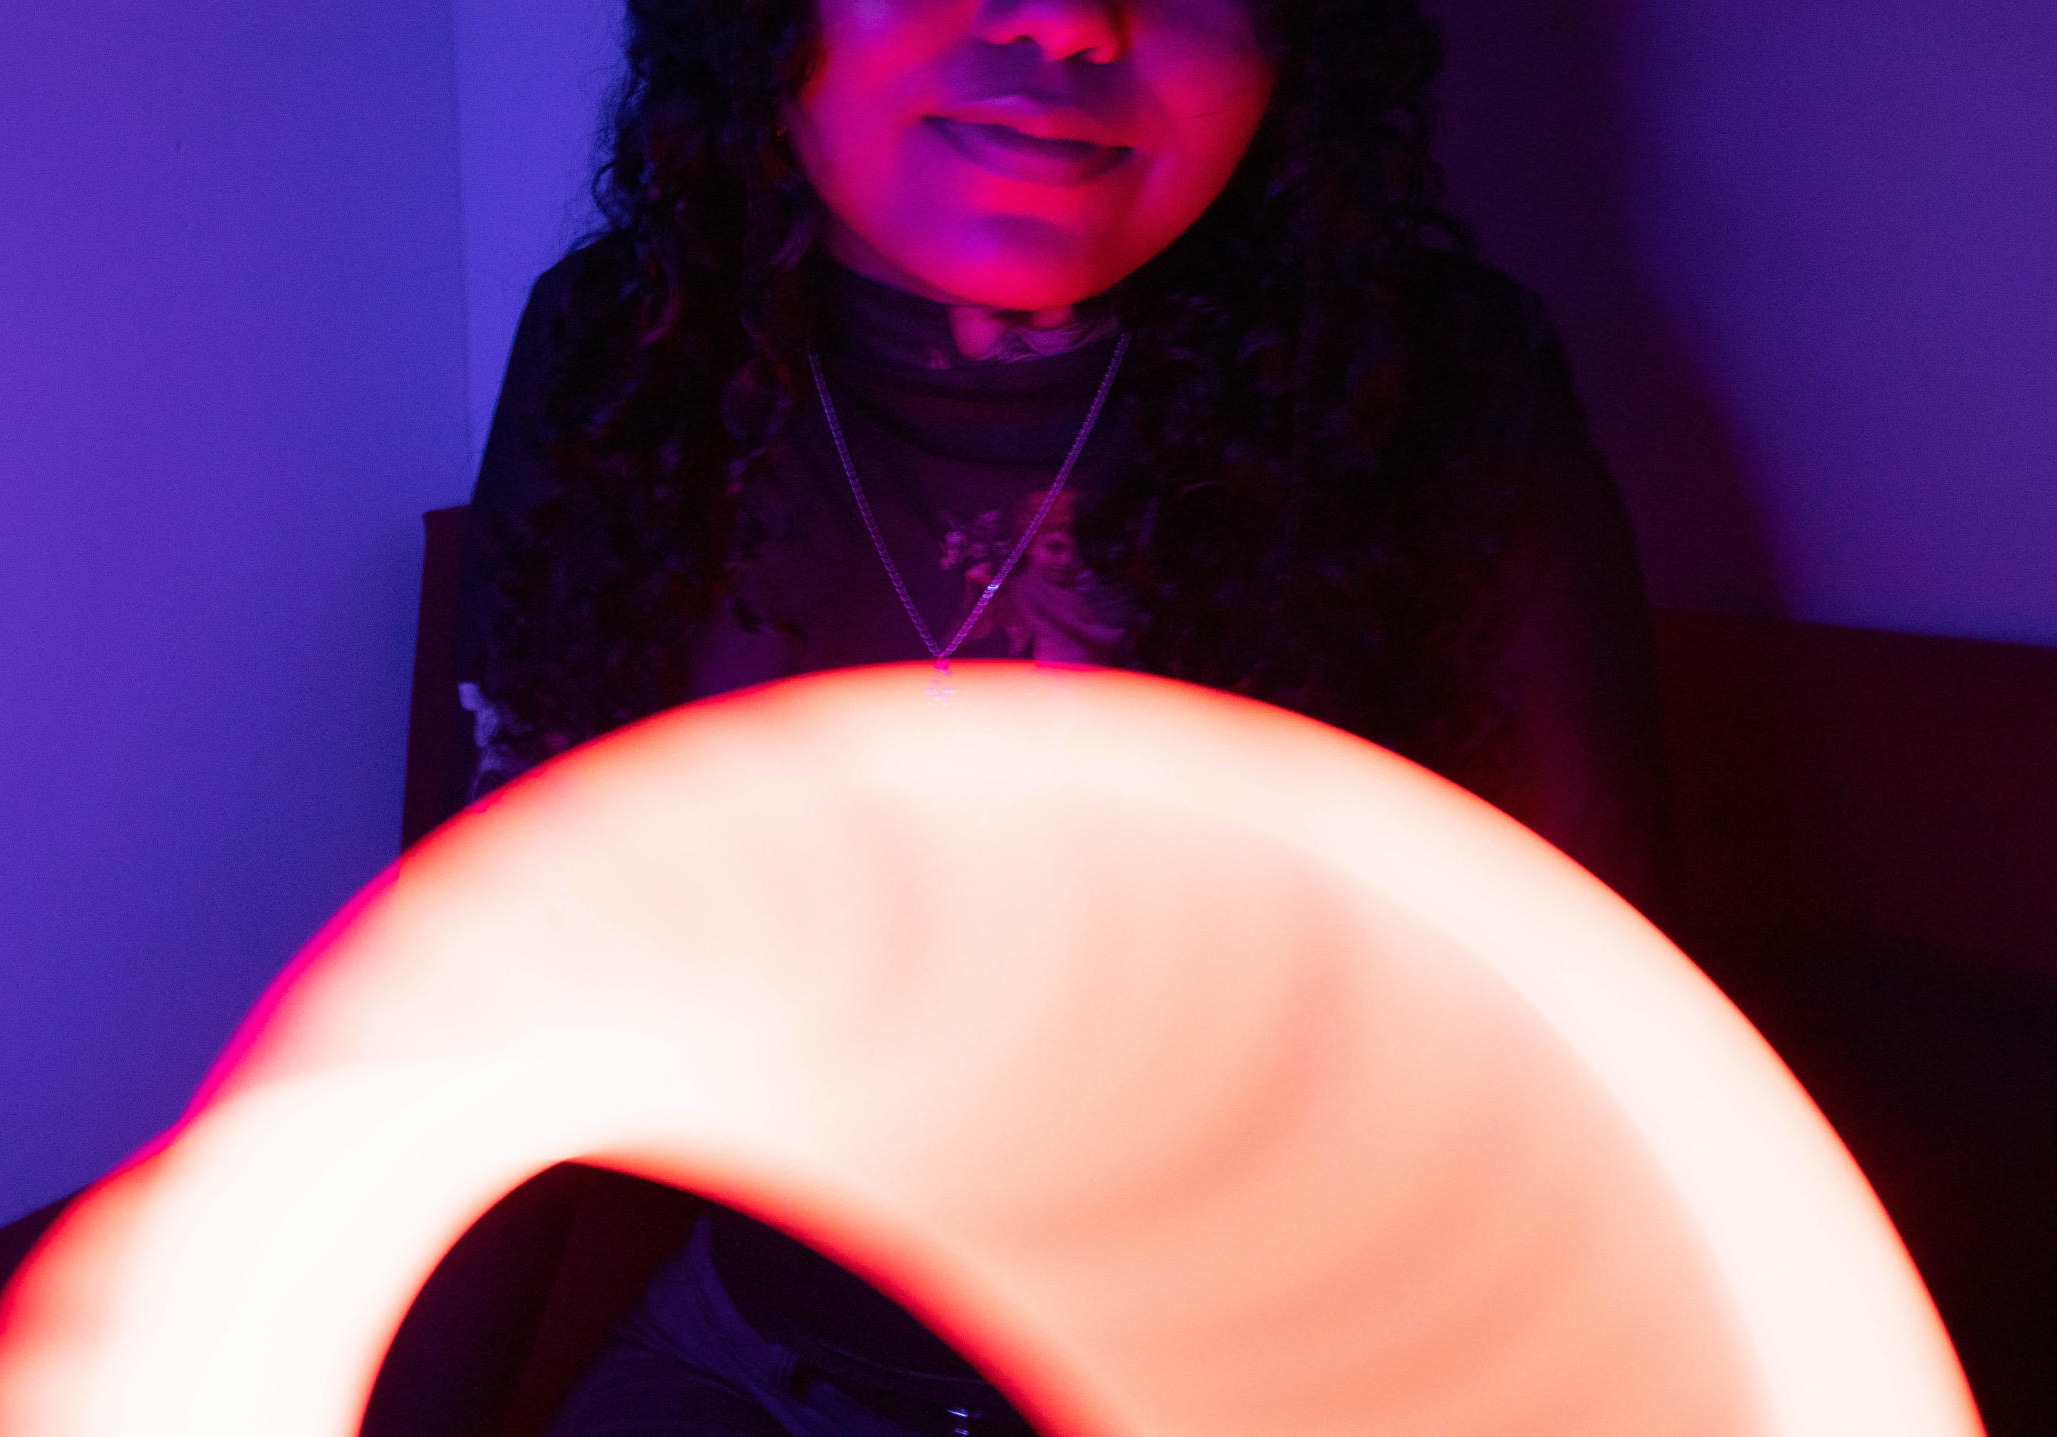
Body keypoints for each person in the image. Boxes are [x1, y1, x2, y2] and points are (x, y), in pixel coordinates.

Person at [436, 1, 1665, 1432]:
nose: (1070, 22)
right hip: (747, 1361)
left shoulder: (1434, 383)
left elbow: (1600, 1079)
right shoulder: (626, 344)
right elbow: (484, 991)